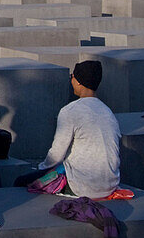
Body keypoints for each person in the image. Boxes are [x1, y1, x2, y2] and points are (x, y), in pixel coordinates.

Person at [13, 61, 121, 199]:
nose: (71, 80)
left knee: (20, 182)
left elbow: (56, 155)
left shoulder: (70, 111)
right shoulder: (108, 112)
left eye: (72, 76)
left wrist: (41, 169)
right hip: (110, 185)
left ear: (79, 82)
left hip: (81, 187)